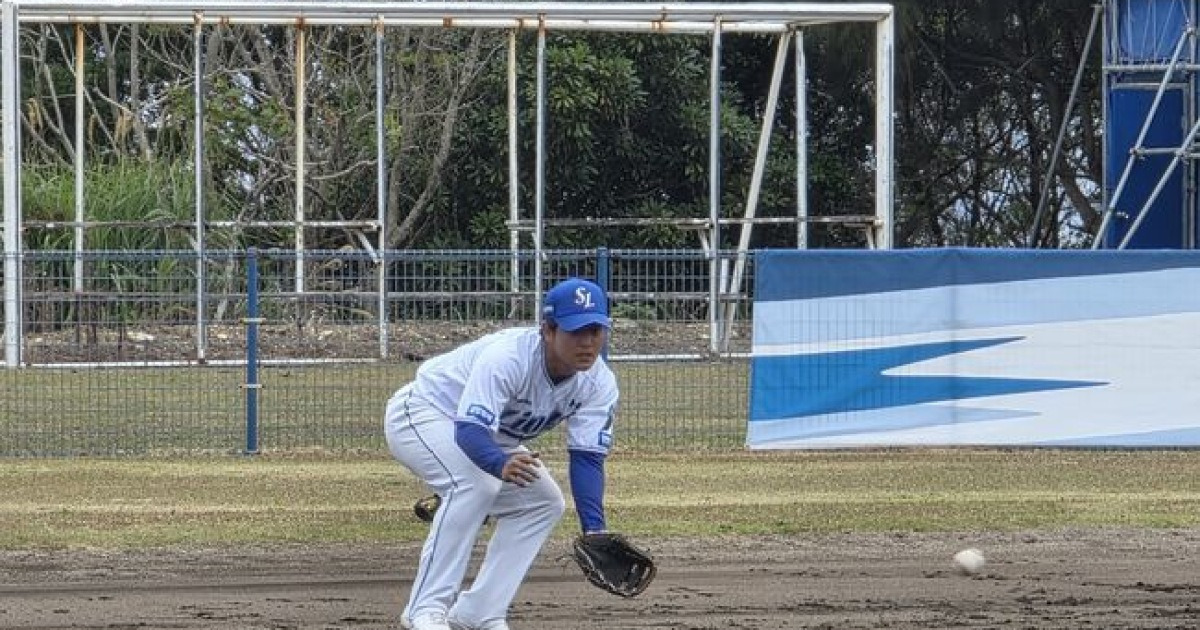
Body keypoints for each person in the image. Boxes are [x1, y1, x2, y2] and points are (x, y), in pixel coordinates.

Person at [384, 277, 619, 630]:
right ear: (549, 330)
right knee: (474, 486)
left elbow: (587, 458)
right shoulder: (508, 357)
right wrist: (497, 463)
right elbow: (469, 430)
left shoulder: (598, 382)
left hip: (493, 438)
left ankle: (480, 612)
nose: (588, 343)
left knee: (544, 502)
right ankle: (426, 610)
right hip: (424, 412)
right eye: (576, 332)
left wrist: (595, 529)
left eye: (595, 331)